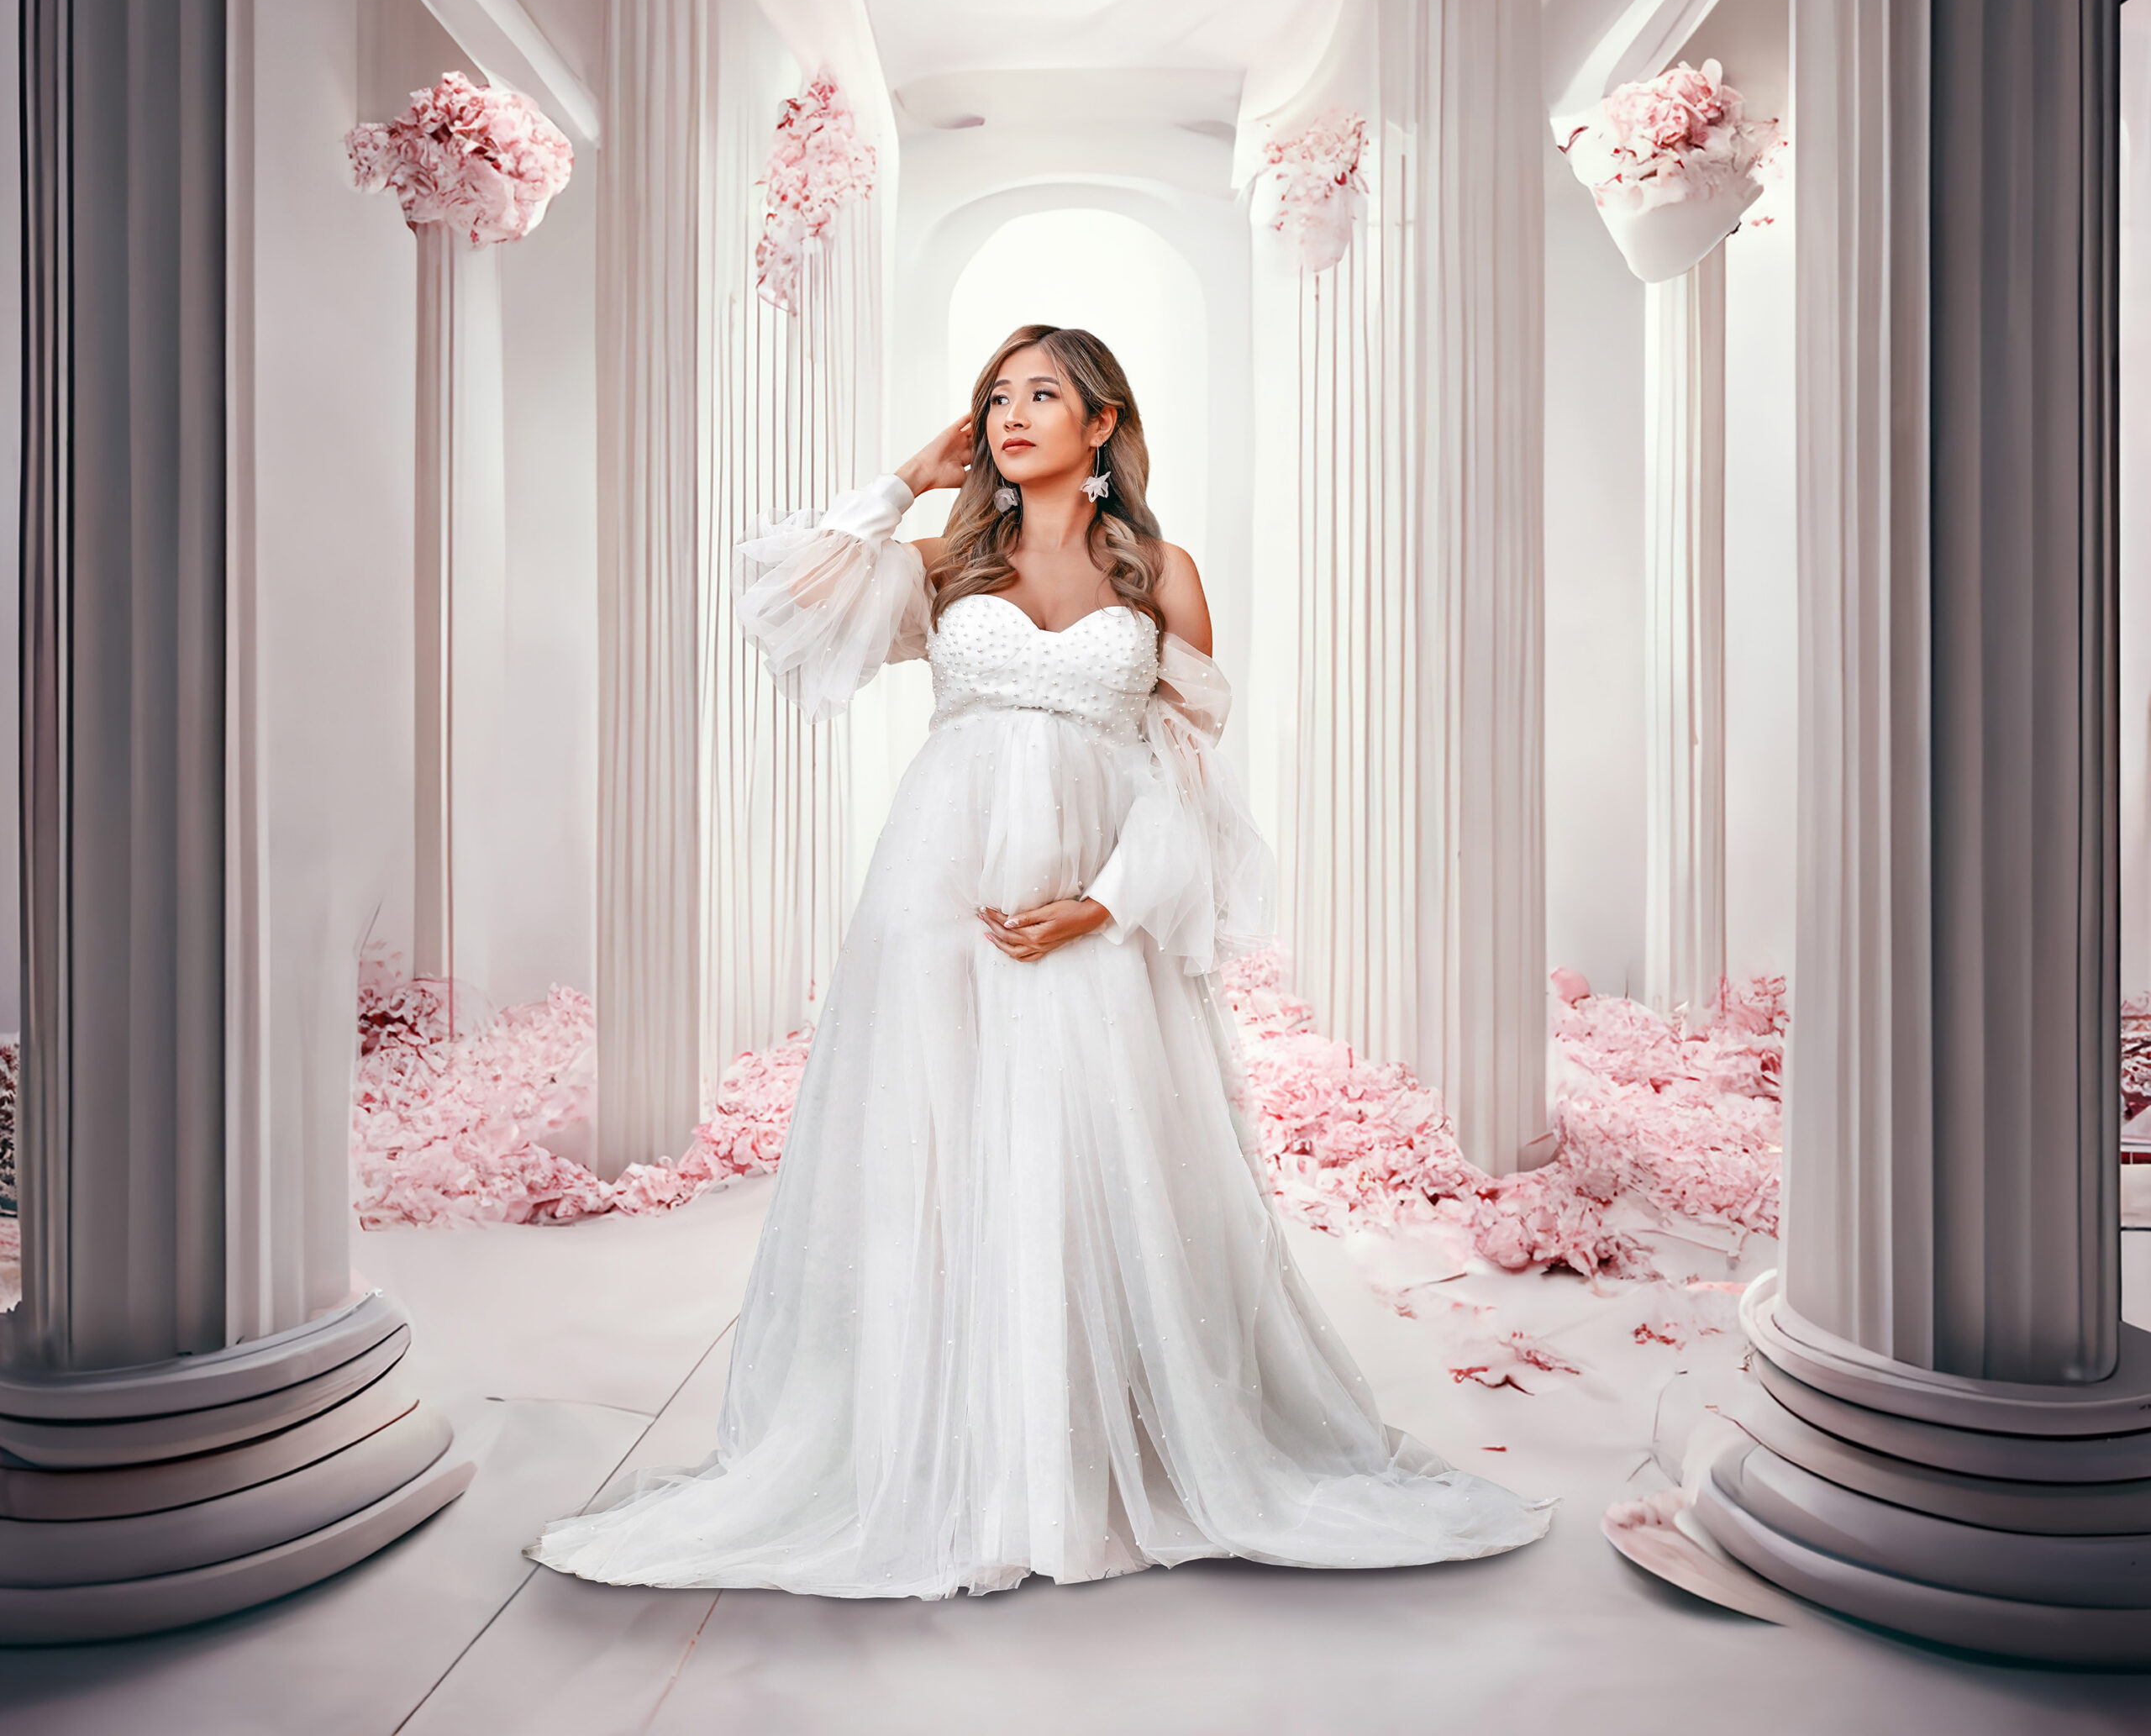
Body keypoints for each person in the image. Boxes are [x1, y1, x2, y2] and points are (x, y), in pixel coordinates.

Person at [529, 324, 1550, 1598]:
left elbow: (1190, 780)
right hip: (940, 901)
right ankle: (941, 1444)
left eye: (1043, 393)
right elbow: (790, 600)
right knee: (945, 1151)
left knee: (1080, 1153)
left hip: (1086, 911)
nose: (1012, 415)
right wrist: (909, 472)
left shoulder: (1161, 573)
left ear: (1103, 423)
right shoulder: (943, 564)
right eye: (995, 397)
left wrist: (1110, 905)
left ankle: (1080, 1446)